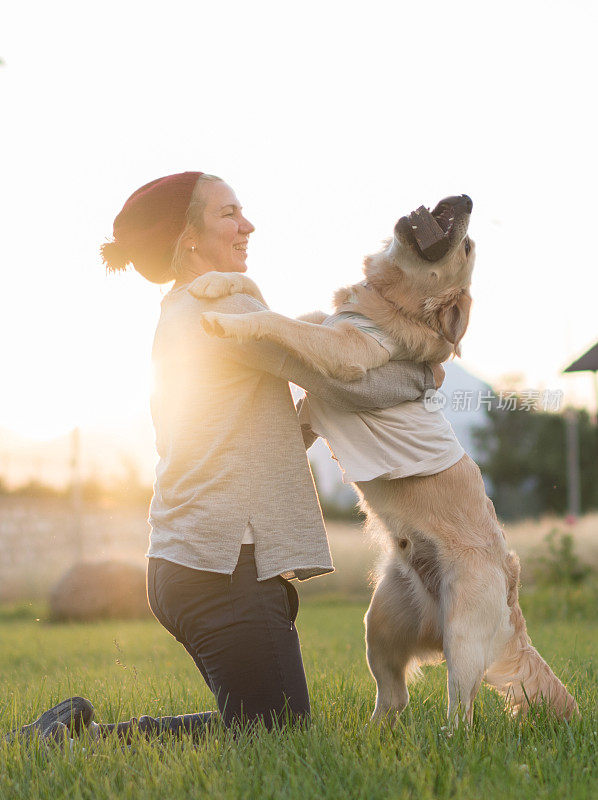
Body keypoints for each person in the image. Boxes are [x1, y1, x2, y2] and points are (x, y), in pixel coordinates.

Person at [8, 172, 442, 743]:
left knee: (262, 723)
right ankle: (74, 741)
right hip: (221, 568)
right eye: (229, 213)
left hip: (188, 564)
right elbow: (347, 380)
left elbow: (248, 434)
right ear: (188, 237)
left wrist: (315, 413)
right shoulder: (226, 307)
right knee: (276, 733)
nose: (248, 225)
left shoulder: (180, 314)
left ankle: (75, 736)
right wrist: (423, 372)